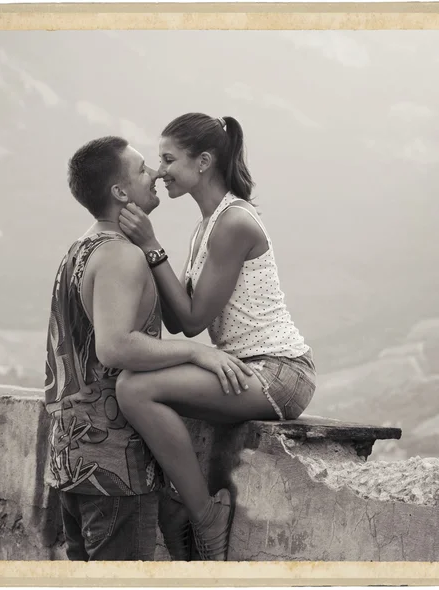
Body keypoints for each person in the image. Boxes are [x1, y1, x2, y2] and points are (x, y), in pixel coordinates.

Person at [116, 113, 317, 561]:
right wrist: (139, 254)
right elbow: (179, 320)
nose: (161, 169)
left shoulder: (234, 223)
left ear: (203, 161)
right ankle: (187, 508)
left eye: (169, 159)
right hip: (245, 367)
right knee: (131, 380)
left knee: (134, 387)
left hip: (279, 372)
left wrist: (151, 246)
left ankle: (202, 515)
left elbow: (192, 317)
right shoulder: (204, 227)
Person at [44, 135, 254, 561]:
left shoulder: (79, 251)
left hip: (69, 462)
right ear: (120, 192)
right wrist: (196, 353)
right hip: (115, 470)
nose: (155, 173)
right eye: (142, 169)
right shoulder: (122, 256)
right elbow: (116, 347)